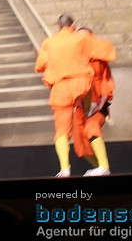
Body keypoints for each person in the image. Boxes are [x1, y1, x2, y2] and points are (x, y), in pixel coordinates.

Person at [35, 14, 115, 178]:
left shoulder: (49, 42)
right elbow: (109, 52)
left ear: (59, 27)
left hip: (61, 88)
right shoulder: (80, 40)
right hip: (81, 85)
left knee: (62, 131)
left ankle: (65, 169)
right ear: (74, 25)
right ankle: (102, 167)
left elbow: (40, 65)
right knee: (83, 129)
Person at [72, 27, 116, 176]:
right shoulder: (74, 60)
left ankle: (104, 167)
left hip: (98, 104)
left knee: (91, 128)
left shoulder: (99, 59)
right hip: (81, 106)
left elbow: (106, 80)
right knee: (81, 144)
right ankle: (102, 169)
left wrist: (103, 102)